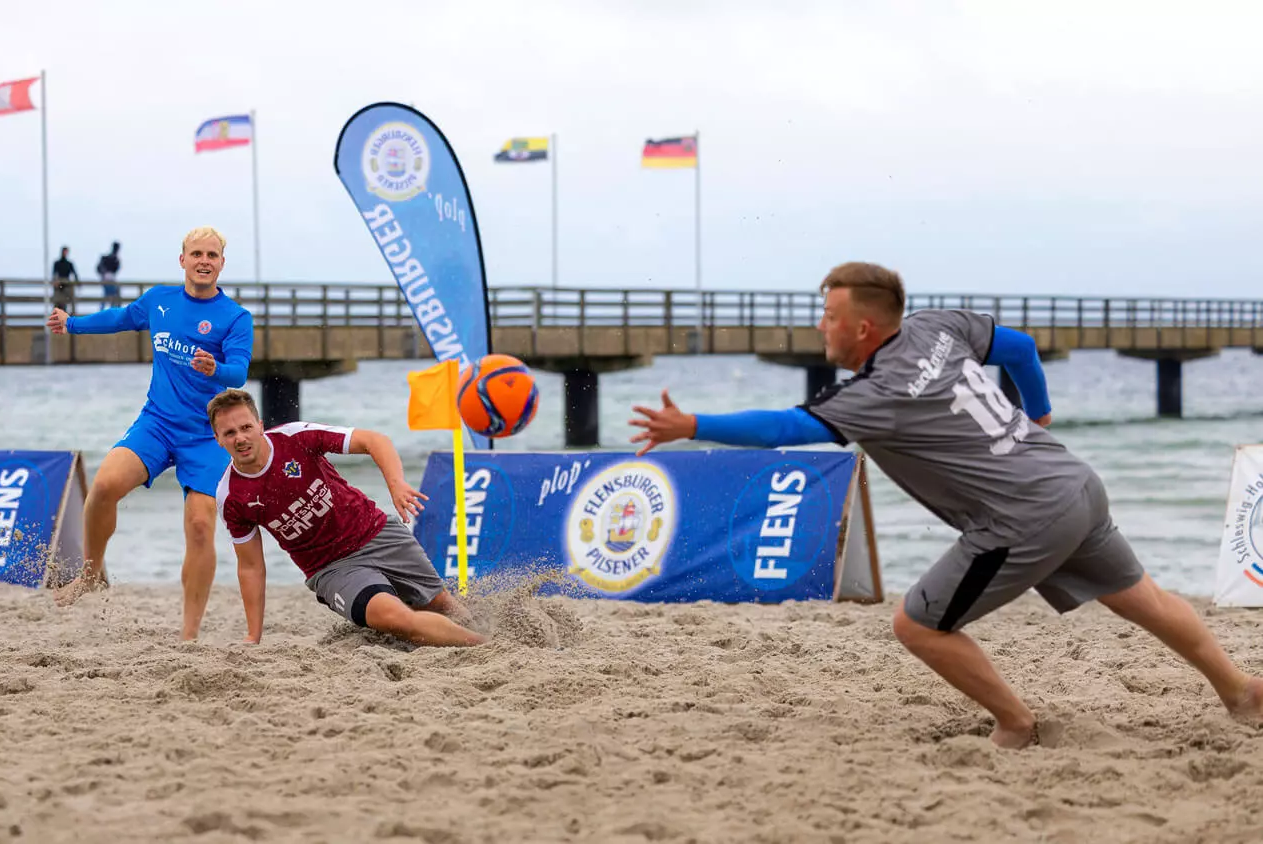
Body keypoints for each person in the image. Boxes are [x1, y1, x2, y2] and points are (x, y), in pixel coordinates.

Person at [627, 261, 1263, 749]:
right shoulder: (936, 325)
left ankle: (1017, 723)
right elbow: (1019, 351)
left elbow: (784, 428)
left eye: (828, 315)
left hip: (1024, 519)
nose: (820, 325)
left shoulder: (874, 395)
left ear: (863, 327)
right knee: (1142, 597)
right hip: (1073, 480)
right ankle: (1240, 692)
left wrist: (694, 423)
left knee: (918, 625)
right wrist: (1036, 413)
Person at [47, 227, 254, 640]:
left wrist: (217, 370)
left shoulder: (235, 317)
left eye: (212, 255)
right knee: (104, 485)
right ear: (183, 260)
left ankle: (188, 635)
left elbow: (240, 370)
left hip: (206, 435)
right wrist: (73, 325)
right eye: (197, 253)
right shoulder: (159, 301)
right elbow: (120, 318)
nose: (204, 261)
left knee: (199, 526)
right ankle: (90, 573)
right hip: (157, 423)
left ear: (221, 264)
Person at [206, 387, 484, 647]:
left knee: (440, 603)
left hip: (375, 531)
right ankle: (483, 647)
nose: (240, 438)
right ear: (217, 439)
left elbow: (373, 440)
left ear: (260, 425)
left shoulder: (295, 437)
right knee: (395, 618)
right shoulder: (230, 495)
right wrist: (253, 635)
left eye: (246, 427)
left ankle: (487, 635)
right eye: (229, 433)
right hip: (331, 568)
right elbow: (251, 567)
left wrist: (396, 483)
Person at [52, 246, 79, 315]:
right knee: (59, 300)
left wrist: (77, 282)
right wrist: (55, 281)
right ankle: (57, 314)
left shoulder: (69, 264)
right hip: (60, 281)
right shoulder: (57, 263)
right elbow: (54, 274)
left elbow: (75, 273)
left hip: (67, 282)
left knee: (71, 298)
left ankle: (73, 313)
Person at [97, 242, 122, 310]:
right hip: (109, 278)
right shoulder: (113, 258)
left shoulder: (107, 258)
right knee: (113, 295)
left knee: (108, 295)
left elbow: (99, 268)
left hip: (106, 278)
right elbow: (115, 269)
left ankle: (104, 311)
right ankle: (112, 311)